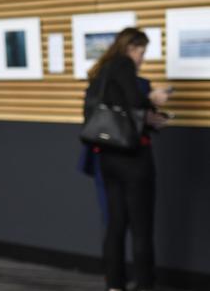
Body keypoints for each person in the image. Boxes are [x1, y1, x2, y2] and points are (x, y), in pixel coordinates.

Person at [84, 27, 170, 291]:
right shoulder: (123, 64)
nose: (142, 58)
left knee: (116, 224)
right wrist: (153, 99)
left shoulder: (101, 71)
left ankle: (115, 285)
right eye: (141, 52)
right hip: (134, 160)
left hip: (107, 158)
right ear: (131, 48)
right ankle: (145, 285)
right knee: (142, 229)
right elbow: (135, 102)